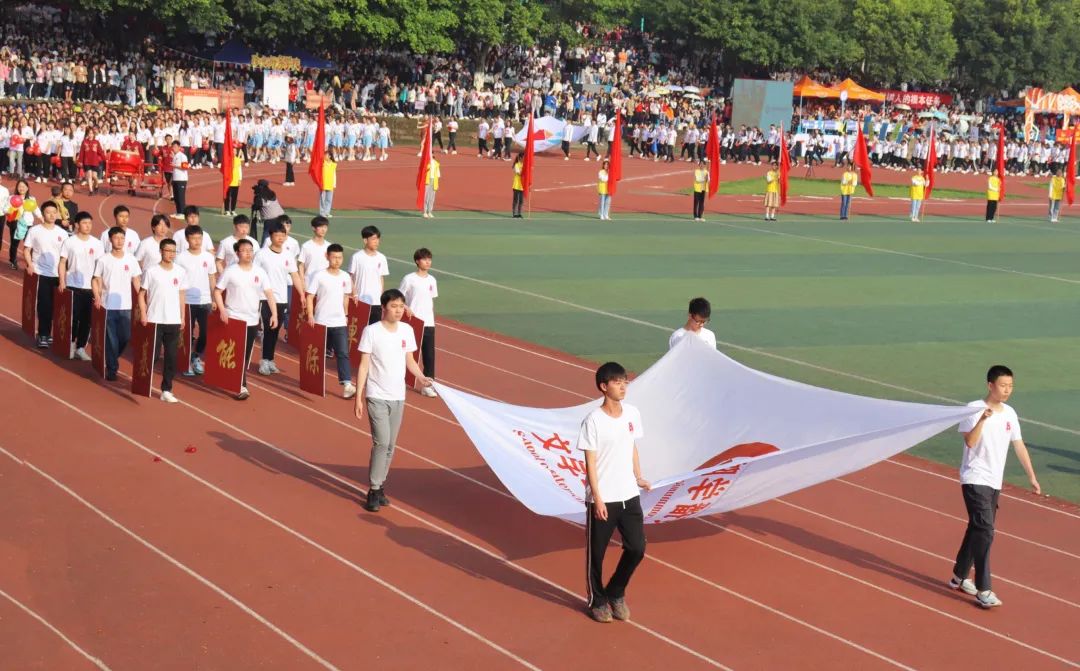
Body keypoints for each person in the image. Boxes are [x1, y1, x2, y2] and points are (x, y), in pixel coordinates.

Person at [949, 365, 1040, 609]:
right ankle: (984, 589)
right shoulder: (973, 409)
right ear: (990, 385)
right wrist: (982, 419)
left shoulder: (1010, 413)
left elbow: (1018, 445)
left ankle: (959, 576)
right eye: (1003, 385)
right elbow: (970, 441)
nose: (1007, 390)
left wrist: (1031, 476)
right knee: (986, 531)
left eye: (1010, 386)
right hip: (974, 478)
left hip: (994, 481)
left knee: (977, 528)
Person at [578, 361, 651, 623]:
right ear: (603, 386)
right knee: (596, 555)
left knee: (637, 548)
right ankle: (597, 600)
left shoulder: (632, 413)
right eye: (617, 382)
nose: (623, 387)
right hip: (604, 498)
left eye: (625, 382)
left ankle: (616, 591)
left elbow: (632, 447)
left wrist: (638, 476)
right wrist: (597, 498)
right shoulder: (593, 421)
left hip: (629, 495)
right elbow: (590, 462)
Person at [353, 289, 433, 512]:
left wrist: (421, 377)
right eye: (394, 306)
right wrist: (358, 397)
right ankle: (373, 488)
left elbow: (410, 360)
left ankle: (380, 486)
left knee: (390, 445)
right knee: (381, 442)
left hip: (398, 396)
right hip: (376, 395)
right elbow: (364, 366)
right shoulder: (371, 332)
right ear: (384, 307)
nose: (398, 311)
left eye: (401, 306)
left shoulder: (407, 330)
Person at [213, 239, 277, 400]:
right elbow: (217, 291)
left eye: (250, 250)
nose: (248, 253)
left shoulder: (260, 272)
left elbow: (269, 293)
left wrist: (274, 314)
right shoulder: (230, 271)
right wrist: (222, 310)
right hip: (234, 318)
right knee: (237, 353)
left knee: (245, 354)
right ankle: (241, 386)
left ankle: (236, 381)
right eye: (244, 250)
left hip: (252, 320)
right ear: (237, 253)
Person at [138, 239, 188, 403]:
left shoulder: (180, 271)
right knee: (152, 356)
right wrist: (143, 314)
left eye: (174, 251)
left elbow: (181, 295)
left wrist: (182, 316)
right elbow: (141, 294)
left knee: (171, 357)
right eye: (168, 250)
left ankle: (166, 390)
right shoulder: (151, 271)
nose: (171, 254)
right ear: (161, 251)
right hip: (154, 319)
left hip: (173, 320)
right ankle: (143, 382)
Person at [306, 243, 356, 398]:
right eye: (334, 257)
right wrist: (310, 315)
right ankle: (312, 380)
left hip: (339, 322)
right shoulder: (319, 276)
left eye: (340, 257)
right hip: (321, 321)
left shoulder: (345, 277)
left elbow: (346, 297)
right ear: (327, 257)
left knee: (343, 353)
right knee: (318, 354)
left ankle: (347, 384)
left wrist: (346, 315)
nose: (337, 260)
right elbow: (310, 296)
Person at [92, 226, 142, 381]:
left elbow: (136, 280)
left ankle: (111, 357)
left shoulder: (131, 259)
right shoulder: (103, 260)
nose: (119, 241)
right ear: (110, 240)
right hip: (108, 305)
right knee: (111, 339)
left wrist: (142, 299)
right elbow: (95, 279)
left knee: (125, 337)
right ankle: (112, 368)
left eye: (122, 238)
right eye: (116, 238)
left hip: (125, 306)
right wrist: (97, 296)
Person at [254, 227, 303, 376]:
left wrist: (301, 294)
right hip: (265, 297)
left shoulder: (288, 255)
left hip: (282, 298)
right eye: (277, 235)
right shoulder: (261, 254)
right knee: (268, 329)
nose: (280, 238)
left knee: (275, 331)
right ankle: (264, 360)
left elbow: (295, 275)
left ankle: (270, 359)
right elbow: (254, 274)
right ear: (271, 236)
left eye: (283, 235)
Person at [23, 200, 69, 348]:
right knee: (44, 305)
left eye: (54, 212)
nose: (52, 215)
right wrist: (30, 265)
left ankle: (48, 334)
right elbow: (26, 250)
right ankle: (43, 334)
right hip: (40, 273)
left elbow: (65, 257)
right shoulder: (34, 231)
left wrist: (64, 276)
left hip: (57, 274)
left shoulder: (63, 233)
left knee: (56, 307)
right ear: (43, 214)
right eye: (48, 212)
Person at [58, 211, 104, 361]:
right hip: (73, 285)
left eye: (90, 223)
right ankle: (71, 344)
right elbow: (63, 262)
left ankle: (81, 347)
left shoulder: (97, 244)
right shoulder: (69, 242)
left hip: (91, 287)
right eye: (84, 223)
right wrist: (62, 281)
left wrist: (100, 288)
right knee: (74, 318)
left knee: (87, 320)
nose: (88, 226)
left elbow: (100, 268)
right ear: (77, 225)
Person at [175, 225, 216, 376]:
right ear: (187, 239)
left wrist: (213, 298)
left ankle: (196, 355)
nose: (197, 241)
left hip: (204, 301)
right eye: (193, 238)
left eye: (199, 238)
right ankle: (185, 361)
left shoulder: (208, 257)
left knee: (206, 333)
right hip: (187, 301)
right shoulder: (180, 258)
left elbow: (212, 277)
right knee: (187, 333)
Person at [400, 248, 438, 397]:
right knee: (409, 353)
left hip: (428, 322)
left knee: (429, 355)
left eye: (429, 259)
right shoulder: (409, 279)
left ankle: (428, 385)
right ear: (417, 261)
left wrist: (432, 319)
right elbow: (399, 298)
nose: (428, 262)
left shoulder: (432, 280)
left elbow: (430, 301)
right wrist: (406, 308)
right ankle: (401, 378)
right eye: (424, 259)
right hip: (413, 322)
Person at [349, 225, 389, 322]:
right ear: (365, 240)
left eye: (378, 238)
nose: (377, 241)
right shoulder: (357, 257)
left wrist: (381, 297)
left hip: (376, 302)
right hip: (360, 301)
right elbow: (349, 277)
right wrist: (354, 294)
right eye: (373, 239)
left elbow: (381, 278)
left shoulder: (381, 258)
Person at [298, 216, 332, 284]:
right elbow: (301, 265)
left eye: (325, 227)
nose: (323, 230)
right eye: (321, 227)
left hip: (325, 283)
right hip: (309, 282)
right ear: (313, 228)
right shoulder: (306, 246)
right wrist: (302, 281)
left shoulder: (329, 246)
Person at [170, 140, 190, 219]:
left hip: (181, 179)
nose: (174, 148)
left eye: (175, 147)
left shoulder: (183, 156)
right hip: (175, 179)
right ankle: (178, 212)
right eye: (173, 147)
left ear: (179, 147)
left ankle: (182, 213)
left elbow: (185, 167)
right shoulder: (175, 156)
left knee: (181, 196)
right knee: (176, 197)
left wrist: (175, 166)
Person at [224, 145, 242, 216]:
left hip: (236, 181)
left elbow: (240, 170)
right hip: (228, 181)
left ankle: (233, 210)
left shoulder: (238, 160)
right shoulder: (227, 159)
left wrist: (240, 179)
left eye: (235, 151)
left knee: (234, 197)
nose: (234, 152)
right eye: (233, 151)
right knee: (227, 196)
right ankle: (227, 210)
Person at [319, 148, 337, 218]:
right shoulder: (322, 163)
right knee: (322, 199)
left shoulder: (333, 164)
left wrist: (334, 184)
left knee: (329, 200)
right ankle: (322, 213)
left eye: (326, 155)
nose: (324, 156)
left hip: (330, 184)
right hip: (323, 184)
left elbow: (334, 175)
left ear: (329, 156)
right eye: (324, 155)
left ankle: (327, 212)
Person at [422, 154, 441, 219]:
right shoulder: (426, 163)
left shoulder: (436, 164)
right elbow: (423, 171)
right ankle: (425, 212)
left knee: (432, 197)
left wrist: (437, 184)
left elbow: (438, 175)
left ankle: (429, 212)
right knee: (426, 196)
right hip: (427, 181)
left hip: (434, 181)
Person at [511, 153, 525, 218]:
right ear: (520, 158)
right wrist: (525, 170)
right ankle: (514, 213)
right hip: (516, 185)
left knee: (521, 200)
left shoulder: (525, 165)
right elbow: (519, 173)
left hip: (522, 185)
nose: (524, 159)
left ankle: (519, 213)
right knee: (516, 200)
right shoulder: (516, 165)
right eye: (523, 157)